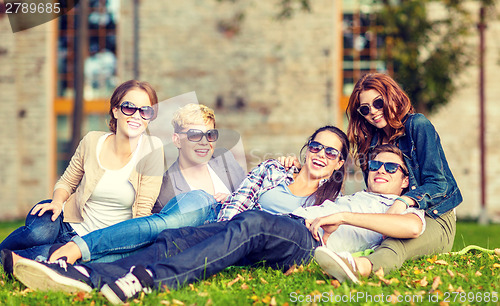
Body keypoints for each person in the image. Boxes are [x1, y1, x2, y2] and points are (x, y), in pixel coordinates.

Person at [11, 144, 425, 305]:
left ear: (406, 180)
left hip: (302, 239)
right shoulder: (344, 192)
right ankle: (86, 274)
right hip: (282, 224)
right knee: (179, 234)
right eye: (376, 164)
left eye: (392, 167)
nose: (382, 170)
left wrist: (342, 215)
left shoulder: (401, 205)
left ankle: (149, 279)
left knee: (254, 224)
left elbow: (411, 229)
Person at [44, 125, 348, 264]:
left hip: (233, 241)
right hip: (212, 210)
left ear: (340, 161)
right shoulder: (275, 169)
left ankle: (47, 258)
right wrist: (221, 229)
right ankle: (78, 246)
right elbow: (241, 199)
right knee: (161, 226)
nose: (320, 154)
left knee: (157, 247)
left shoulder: (327, 205)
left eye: (330, 151)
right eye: (316, 146)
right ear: (308, 148)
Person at [46, 103, 246, 264]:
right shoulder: (165, 188)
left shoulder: (227, 163)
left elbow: (253, 194)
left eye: (210, 135)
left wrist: (232, 199)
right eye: (194, 134)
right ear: (177, 140)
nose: (205, 142)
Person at [0, 80, 164, 268]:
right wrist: (57, 202)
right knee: (38, 234)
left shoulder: (152, 148)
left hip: (92, 243)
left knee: (49, 255)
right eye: (129, 107)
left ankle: (15, 260)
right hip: (67, 221)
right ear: (115, 110)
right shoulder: (92, 140)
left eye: (145, 111)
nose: (137, 116)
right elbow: (68, 181)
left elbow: (143, 212)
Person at [320, 72, 461, 282]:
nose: (374, 112)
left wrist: (404, 201)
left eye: (378, 103)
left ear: (391, 96)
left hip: (434, 216)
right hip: (388, 212)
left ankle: (359, 268)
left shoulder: (418, 126)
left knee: (396, 243)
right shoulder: (370, 141)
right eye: (365, 109)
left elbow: (439, 184)